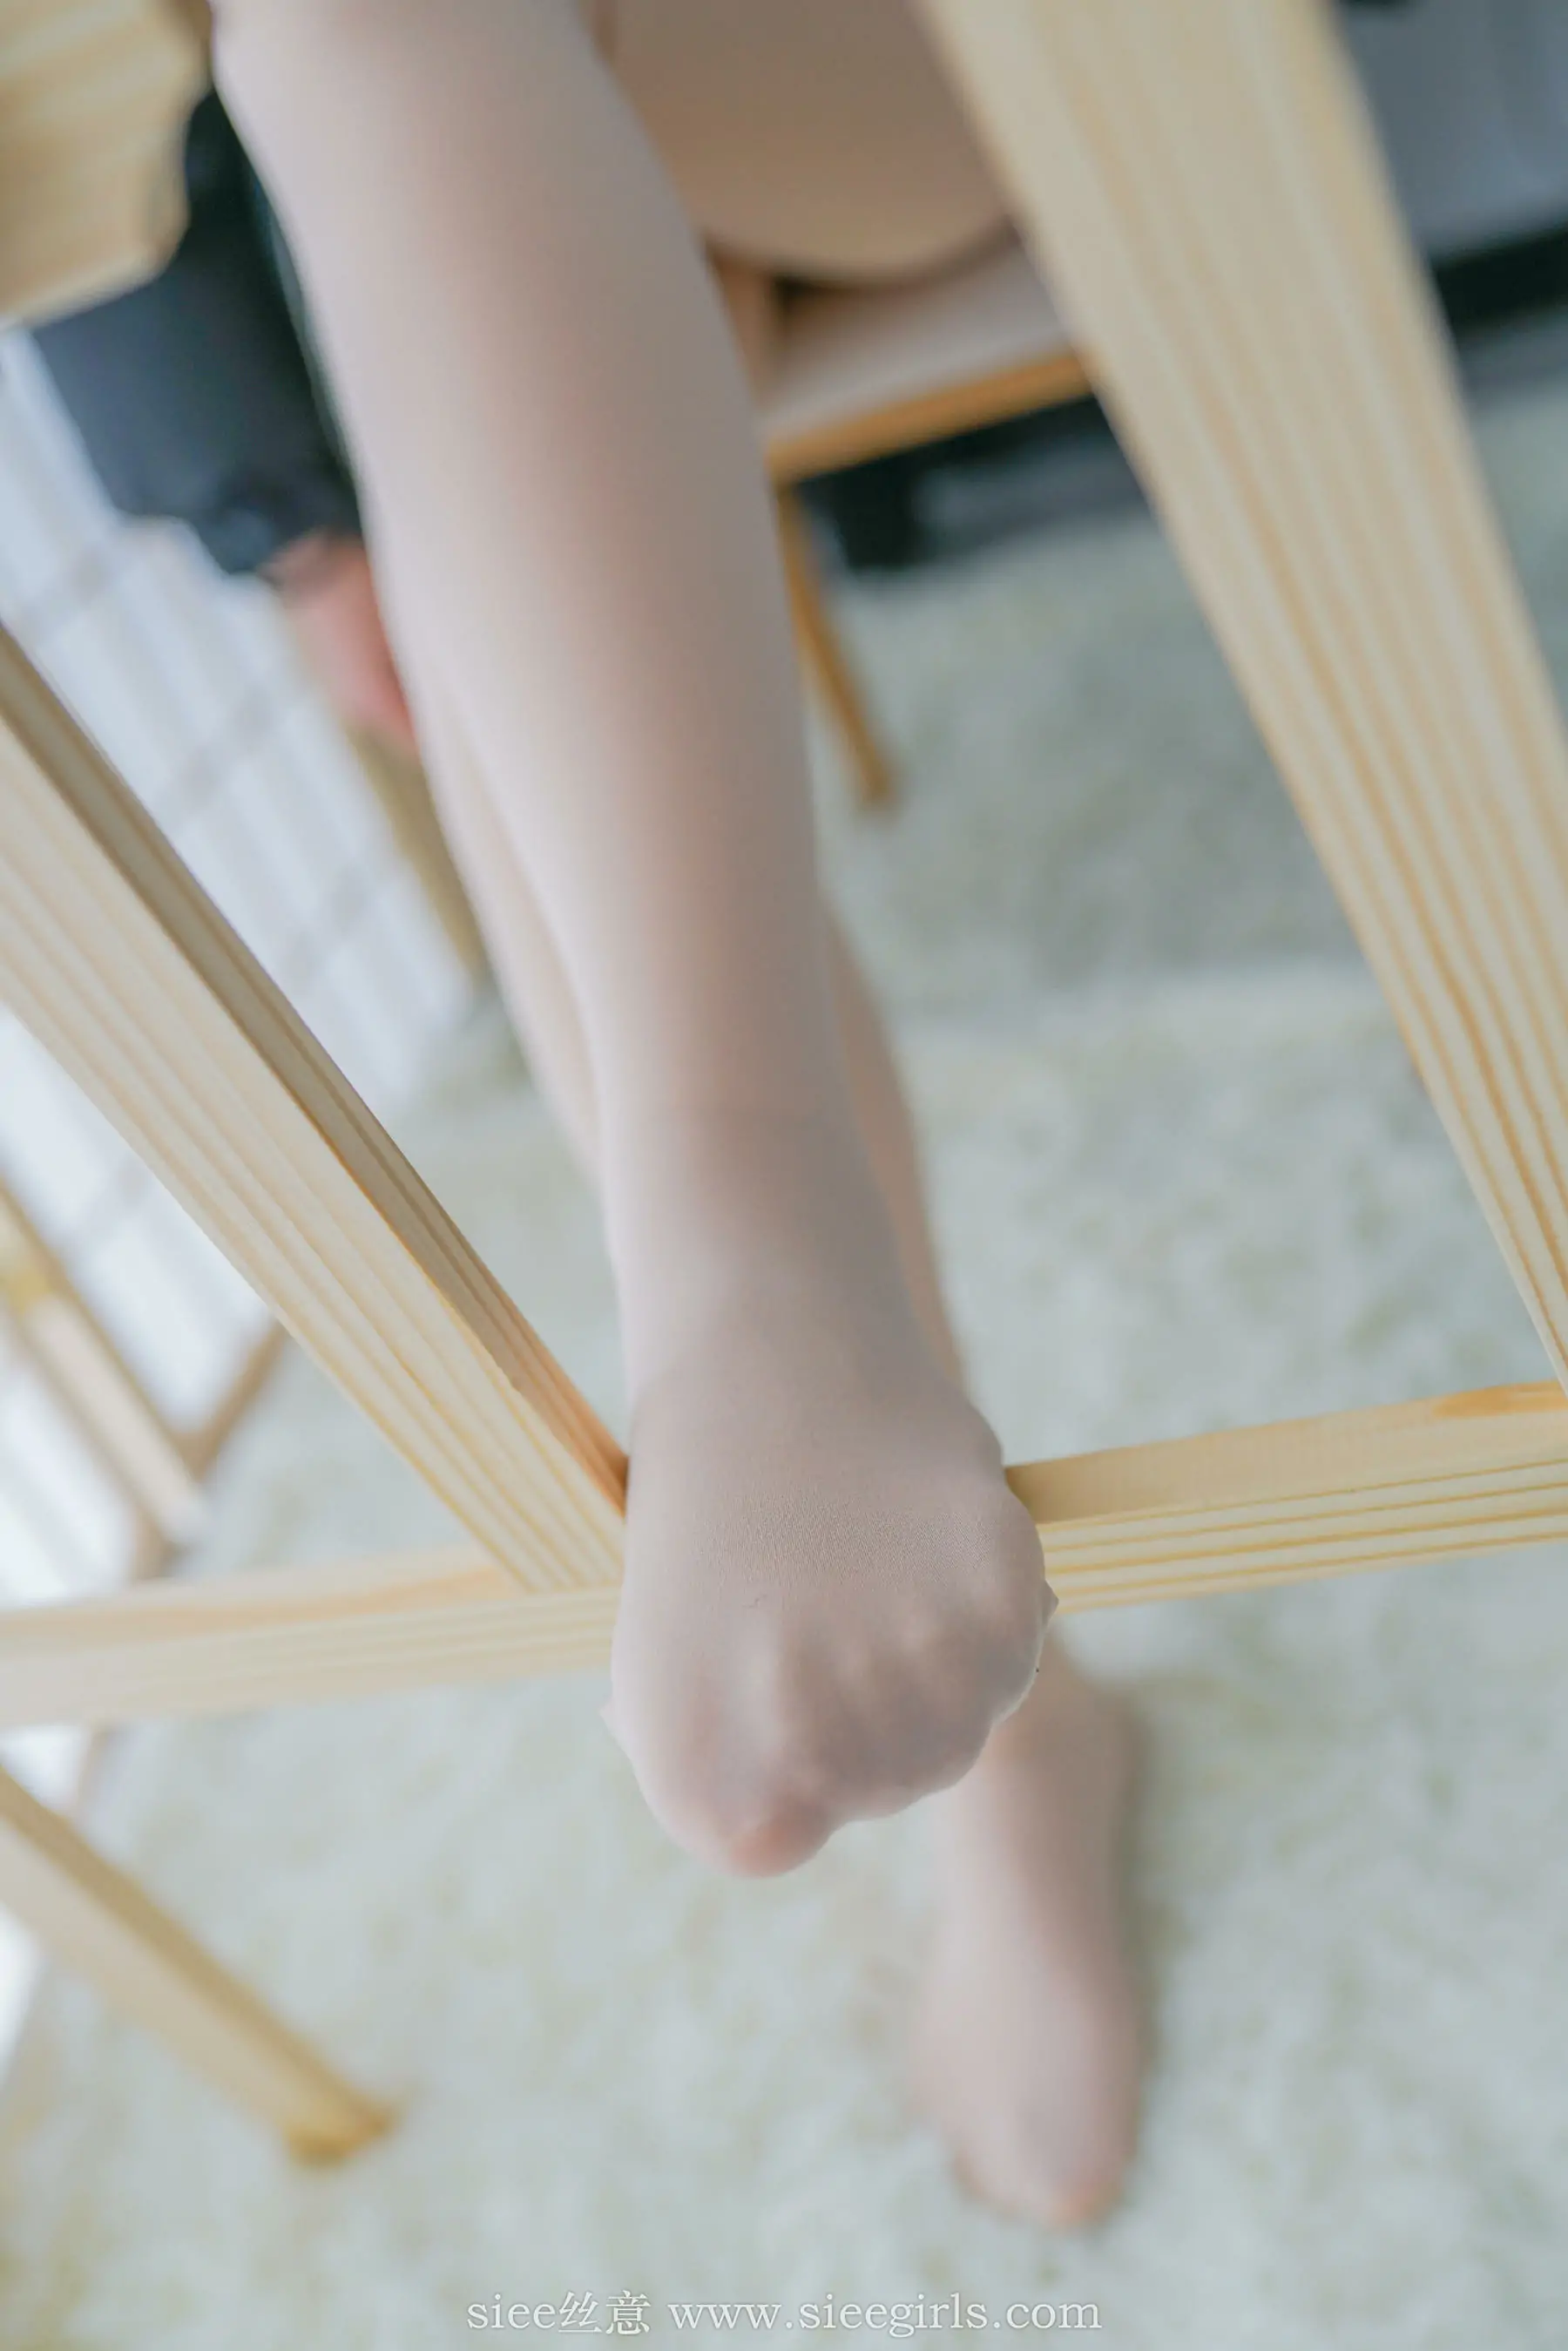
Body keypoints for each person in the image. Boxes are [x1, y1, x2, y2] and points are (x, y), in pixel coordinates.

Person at [68, 0, 1147, 2230]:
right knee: (478, 625)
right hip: (483, 153)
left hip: (938, 58)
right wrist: (294, 530)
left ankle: (755, 1276)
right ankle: (991, 1703)